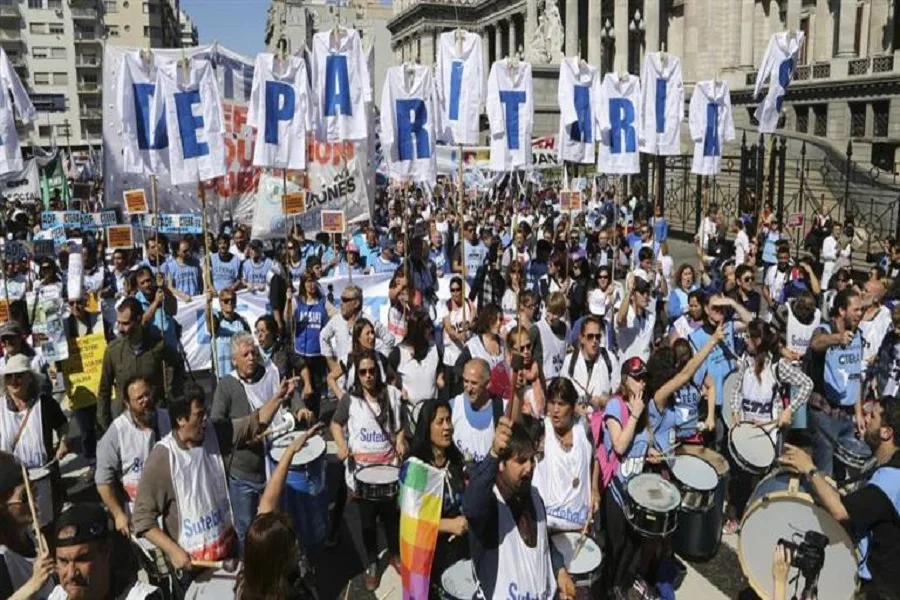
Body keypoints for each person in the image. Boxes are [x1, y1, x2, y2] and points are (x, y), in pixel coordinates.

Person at [600, 332, 722, 600]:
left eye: (644, 377)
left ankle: (633, 581)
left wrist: (652, 451)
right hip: (623, 488)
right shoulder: (653, 401)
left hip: (652, 476)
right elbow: (621, 446)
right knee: (622, 546)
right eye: (636, 377)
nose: (641, 381)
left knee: (647, 541)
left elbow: (642, 444)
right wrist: (712, 343)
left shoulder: (647, 406)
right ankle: (618, 586)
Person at [132, 385, 287, 570]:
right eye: (199, 415)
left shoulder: (215, 433)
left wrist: (279, 397)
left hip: (227, 553)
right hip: (192, 567)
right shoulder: (163, 459)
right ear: (181, 419)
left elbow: (253, 424)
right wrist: (173, 551)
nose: (205, 419)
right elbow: (142, 519)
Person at [780, 396, 900, 600]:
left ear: (886, 432)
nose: (865, 417)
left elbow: (840, 511)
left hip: (882, 589)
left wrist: (809, 468)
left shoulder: (891, 479)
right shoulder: (885, 465)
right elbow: (860, 503)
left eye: (873, 416)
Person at [212, 333, 309, 553]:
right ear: (233, 360)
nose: (251, 358)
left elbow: (286, 394)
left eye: (253, 353)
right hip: (243, 474)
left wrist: (299, 406)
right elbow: (218, 426)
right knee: (246, 530)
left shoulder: (270, 374)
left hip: (273, 467)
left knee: (275, 524)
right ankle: (250, 572)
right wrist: (244, 433)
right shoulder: (227, 386)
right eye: (245, 355)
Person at [462, 415, 577, 600]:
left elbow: (544, 542)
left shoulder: (535, 497)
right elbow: (471, 506)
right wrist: (492, 454)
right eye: (521, 461)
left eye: (532, 459)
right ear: (501, 464)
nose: (529, 467)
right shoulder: (490, 506)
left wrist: (560, 570)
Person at [724, 319, 813, 532]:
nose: (745, 340)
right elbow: (737, 390)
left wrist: (789, 410)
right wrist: (736, 413)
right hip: (746, 430)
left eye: (748, 337)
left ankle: (757, 522)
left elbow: (807, 384)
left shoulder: (777, 366)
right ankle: (736, 517)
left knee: (763, 481)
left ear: (758, 340)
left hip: (768, 433)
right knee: (739, 479)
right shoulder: (745, 361)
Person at [330, 350, 405, 591]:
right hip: (362, 475)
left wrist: (401, 440)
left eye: (372, 370)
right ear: (357, 375)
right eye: (363, 372)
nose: (368, 376)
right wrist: (341, 445)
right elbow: (335, 424)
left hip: (389, 471)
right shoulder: (350, 401)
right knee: (368, 523)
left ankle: (394, 555)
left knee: (392, 518)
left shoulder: (392, 396)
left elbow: (400, 426)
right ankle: (372, 562)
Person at [236, 424, 323, 600]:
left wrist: (290, 451)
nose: (297, 547)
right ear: (279, 560)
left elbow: (267, 502)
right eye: (292, 546)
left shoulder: (250, 580)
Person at [405, 399, 469, 594]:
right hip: (426, 557)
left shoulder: (456, 462)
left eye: (449, 420)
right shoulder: (415, 469)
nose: (447, 427)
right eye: (440, 422)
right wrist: (449, 525)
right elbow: (410, 521)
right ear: (427, 427)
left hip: (457, 551)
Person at [95, 376, 171, 537]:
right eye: (139, 399)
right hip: (140, 515)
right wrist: (118, 514)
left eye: (147, 394)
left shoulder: (168, 418)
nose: (145, 400)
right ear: (127, 404)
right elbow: (103, 480)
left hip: (173, 508)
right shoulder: (117, 432)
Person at [0, 355, 68, 531]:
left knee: (45, 526)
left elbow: (62, 425)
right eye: (9, 376)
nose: (14, 380)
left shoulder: (44, 403)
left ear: (29, 378)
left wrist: (63, 442)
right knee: (19, 529)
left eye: (19, 375)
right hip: (12, 483)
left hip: (42, 476)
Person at [97, 298, 184, 431]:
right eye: (119, 323)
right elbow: (104, 390)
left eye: (125, 324)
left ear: (139, 320)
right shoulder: (113, 351)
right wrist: (106, 425)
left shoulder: (157, 345)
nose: (120, 329)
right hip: (126, 423)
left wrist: (171, 396)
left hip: (155, 421)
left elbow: (176, 364)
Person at [806, 288, 865, 478]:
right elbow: (816, 343)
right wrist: (837, 339)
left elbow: (855, 376)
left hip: (847, 415)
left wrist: (859, 413)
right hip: (825, 413)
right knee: (824, 472)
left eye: (861, 309)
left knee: (843, 471)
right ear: (841, 311)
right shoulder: (825, 329)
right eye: (855, 310)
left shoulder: (858, 335)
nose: (860, 314)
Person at [49, 503, 160, 599]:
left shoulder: (140, 597)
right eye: (63, 561)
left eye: (81, 560)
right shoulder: (58, 596)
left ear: (106, 552)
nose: (71, 574)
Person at [533, 378, 597, 533]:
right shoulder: (541, 429)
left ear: (572, 407)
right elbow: (517, 423)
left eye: (561, 404)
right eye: (552, 403)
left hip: (580, 525)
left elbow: (595, 457)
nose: (555, 410)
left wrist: (595, 489)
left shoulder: (583, 428)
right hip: (549, 525)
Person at [0, 452, 54, 600]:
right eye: (25, 496)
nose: (34, 501)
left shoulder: (30, 535)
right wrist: (34, 583)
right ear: (2, 507)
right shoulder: (3, 558)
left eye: (34, 491)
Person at [388, 307, 443, 433]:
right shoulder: (398, 353)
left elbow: (440, 375)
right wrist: (398, 391)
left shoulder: (435, 349)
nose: (430, 330)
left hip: (431, 419)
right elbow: (389, 382)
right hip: (408, 420)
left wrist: (440, 379)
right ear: (418, 331)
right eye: (427, 327)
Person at [451, 359, 506, 466]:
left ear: (488, 384)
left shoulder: (501, 408)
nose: (469, 388)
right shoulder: (454, 407)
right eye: (466, 381)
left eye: (474, 383)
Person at [561, 315, 619, 411]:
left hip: (603, 418)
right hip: (577, 420)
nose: (595, 341)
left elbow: (618, 394)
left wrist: (605, 401)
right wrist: (574, 408)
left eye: (598, 336)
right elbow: (562, 395)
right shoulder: (570, 361)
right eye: (590, 336)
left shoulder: (610, 359)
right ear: (582, 338)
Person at [615, 273, 657, 363]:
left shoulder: (651, 316)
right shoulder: (626, 313)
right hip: (628, 367)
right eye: (642, 292)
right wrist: (629, 291)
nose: (645, 295)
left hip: (645, 366)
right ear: (633, 296)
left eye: (647, 292)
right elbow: (620, 320)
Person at [133, 266, 178, 349]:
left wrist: (164, 287)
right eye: (142, 283)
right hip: (152, 350)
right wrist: (156, 302)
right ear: (138, 287)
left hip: (170, 345)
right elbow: (143, 321)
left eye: (148, 280)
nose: (146, 285)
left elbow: (173, 310)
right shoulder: (136, 301)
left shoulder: (162, 292)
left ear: (153, 279)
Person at [211, 288, 251, 378]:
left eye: (232, 300)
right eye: (226, 300)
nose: (230, 303)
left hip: (238, 373)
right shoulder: (216, 319)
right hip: (219, 373)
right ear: (220, 303)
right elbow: (210, 325)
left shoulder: (242, 322)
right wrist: (207, 304)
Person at [530, 291, 569, 380]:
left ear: (561, 313)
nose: (550, 317)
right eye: (549, 311)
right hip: (543, 380)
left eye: (555, 313)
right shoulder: (536, 329)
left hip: (559, 380)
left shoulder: (566, 329)